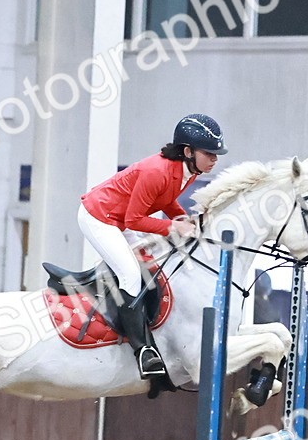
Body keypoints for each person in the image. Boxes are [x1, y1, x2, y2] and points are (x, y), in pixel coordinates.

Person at [78, 113, 228, 378]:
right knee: (131, 275)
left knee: (150, 269)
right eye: (210, 153)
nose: (215, 158)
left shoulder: (189, 171)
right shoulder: (156, 172)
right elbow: (133, 219)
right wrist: (174, 227)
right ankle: (142, 350)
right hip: (98, 217)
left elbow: (166, 201)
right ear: (188, 151)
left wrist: (182, 218)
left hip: (118, 220)